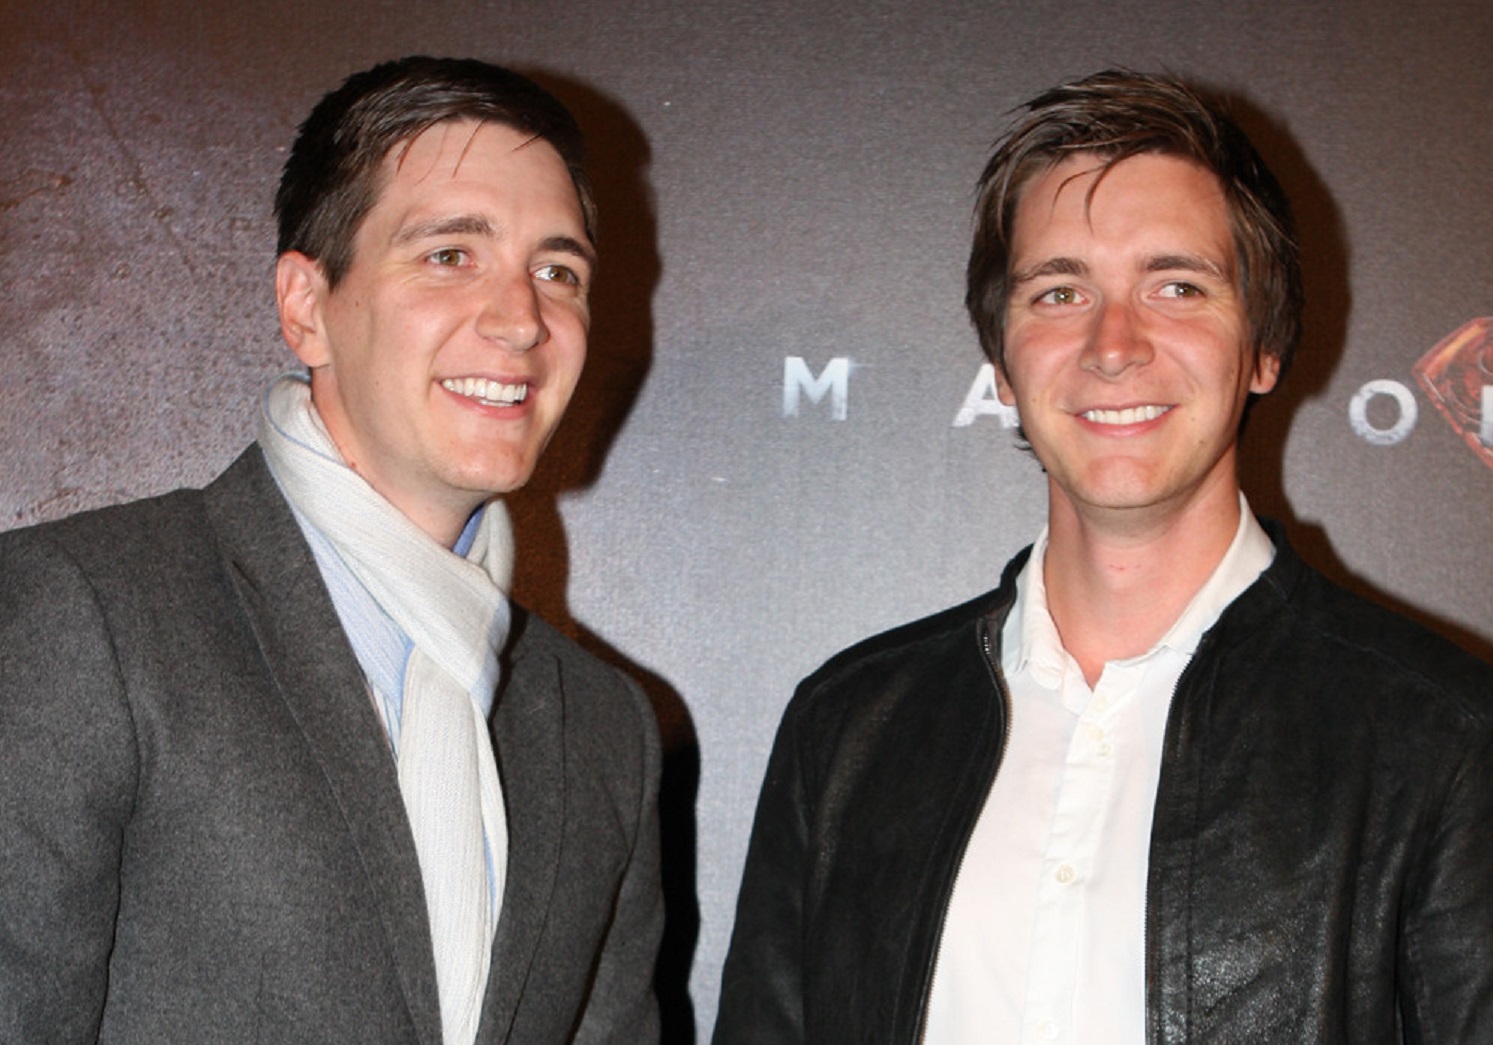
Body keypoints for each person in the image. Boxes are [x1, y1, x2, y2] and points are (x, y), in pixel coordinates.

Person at [713, 69, 1493, 1045]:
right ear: (1002, 363)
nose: (1112, 343)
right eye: (1058, 291)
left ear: (1262, 347)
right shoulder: (847, 729)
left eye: (1176, 287)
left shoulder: (1444, 738)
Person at [0, 57, 661, 1044]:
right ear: (306, 306)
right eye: (451, 254)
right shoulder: (86, 616)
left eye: (557, 271)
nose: (521, 318)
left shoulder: (602, 728)